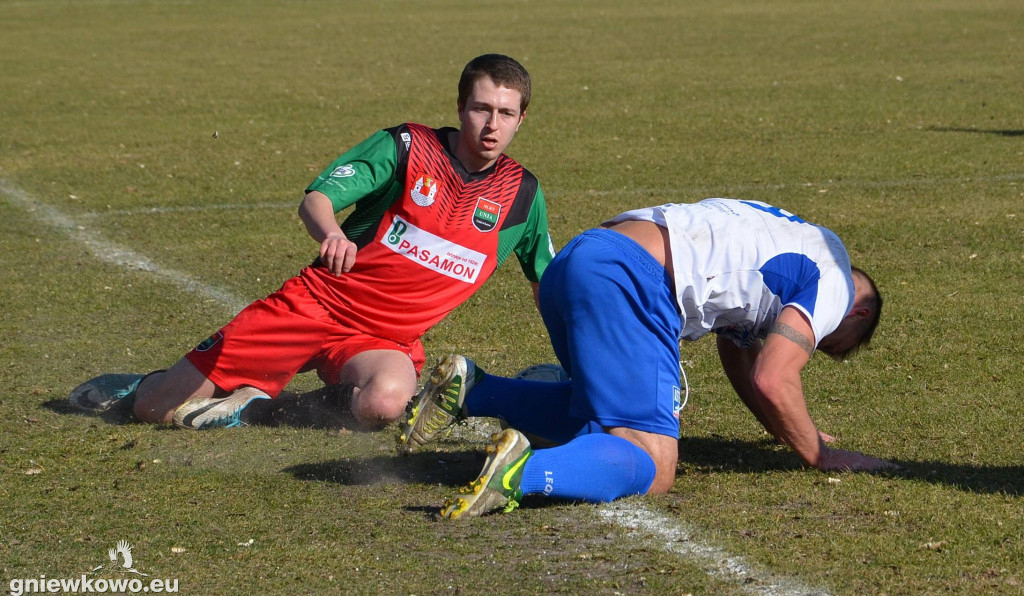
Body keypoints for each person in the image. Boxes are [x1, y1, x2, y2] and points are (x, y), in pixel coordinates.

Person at [69, 54, 555, 430]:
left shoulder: (523, 198)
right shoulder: (407, 147)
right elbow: (318, 198)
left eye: (506, 113)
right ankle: (143, 384)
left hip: (383, 340)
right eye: (481, 109)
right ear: (460, 108)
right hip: (315, 305)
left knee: (386, 403)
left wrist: (579, 357)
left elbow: (549, 286)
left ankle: (255, 410)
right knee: (159, 408)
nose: (492, 125)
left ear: (522, 119)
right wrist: (333, 234)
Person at [400, 197, 896, 519]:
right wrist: (818, 453)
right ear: (860, 311)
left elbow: (742, 357)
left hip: (580, 259)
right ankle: (518, 475)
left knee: (603, 421)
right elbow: (774, 376)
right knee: (654, 463)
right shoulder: (835, 281)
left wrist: (786, 429)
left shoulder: (793, 238)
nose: (815, 338)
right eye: (827, 341)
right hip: (630, 277)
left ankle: (476, 389)